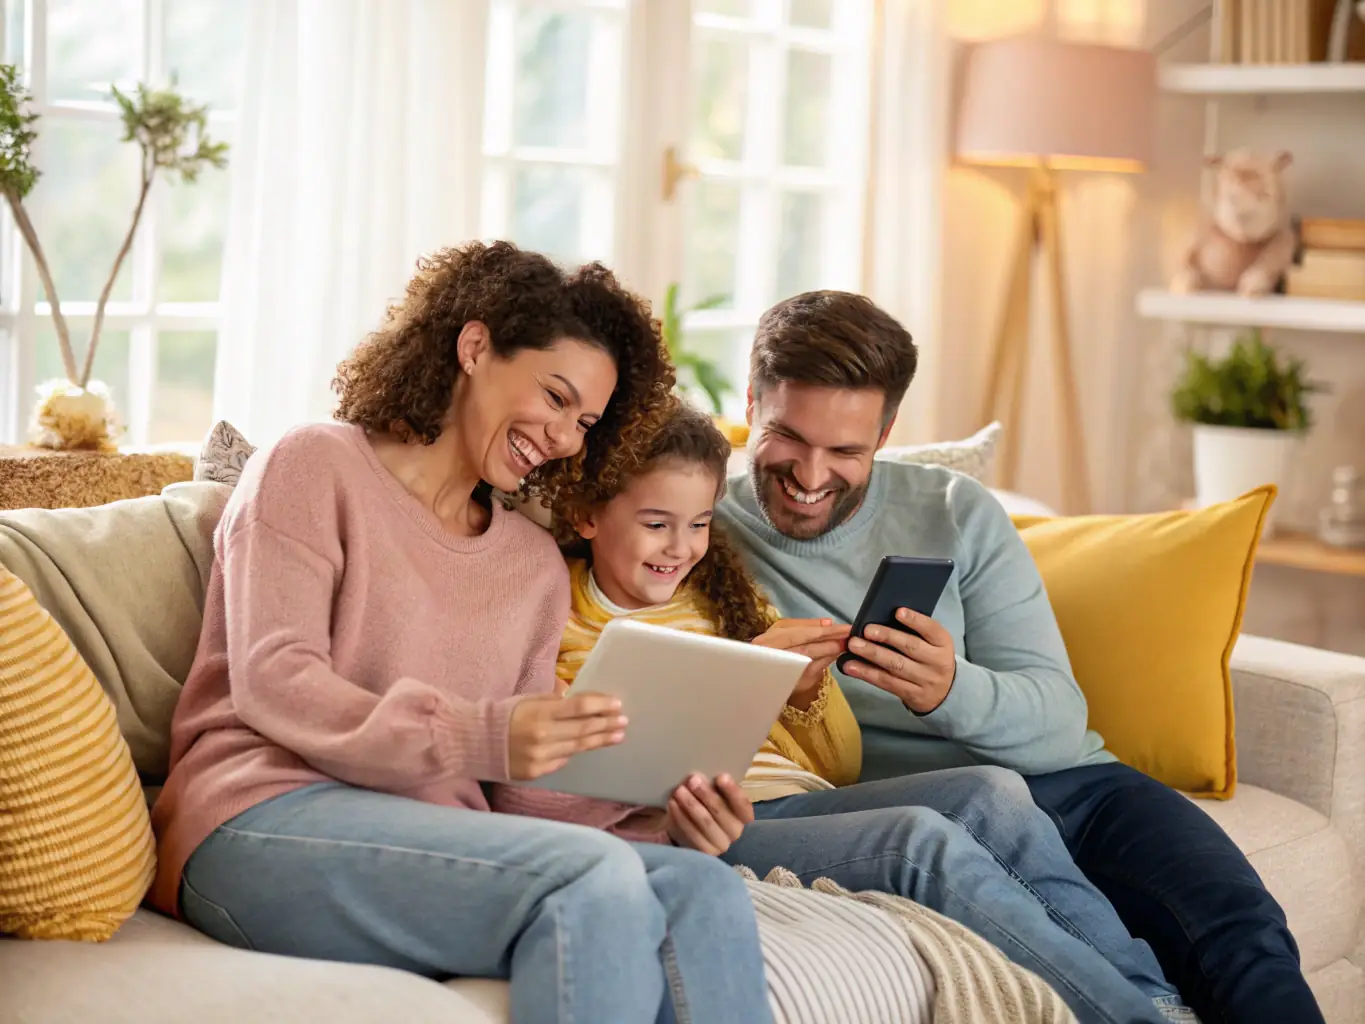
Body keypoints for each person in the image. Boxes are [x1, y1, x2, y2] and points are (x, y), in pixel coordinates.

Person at [149, 242, 774, 1024]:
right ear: (474, 347)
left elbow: (513, 794)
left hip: (434, 834)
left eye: (584, 422)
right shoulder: (314, 464)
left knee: (702, 887)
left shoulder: (531, 563)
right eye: (554, 397)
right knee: (589, 880)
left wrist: (664, 817)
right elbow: (277, 680)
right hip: (258, 816)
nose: (565, 437)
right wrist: (478, 733)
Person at [713, 289, 1323, 1024]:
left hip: (1068, 786)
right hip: (916, 803)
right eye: (788, 438)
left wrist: (949, 691)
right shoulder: (689, 528)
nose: (811, 475)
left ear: (887, 429)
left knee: (1240, 934)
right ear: (750, 401)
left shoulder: (953, 509)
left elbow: (1060, 722)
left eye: (846, 450)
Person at [519, 397, 1180, 1024]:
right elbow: (547, 764)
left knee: (992, 791)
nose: (679, 549)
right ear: (588, 515)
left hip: (790, 797)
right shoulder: (550, 610)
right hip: (707, 824)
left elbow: (838, 767)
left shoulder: (725, 600)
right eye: (656, 525)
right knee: (919, 844)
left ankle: (1157, 1002)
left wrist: (800, 691)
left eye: (698, 525)